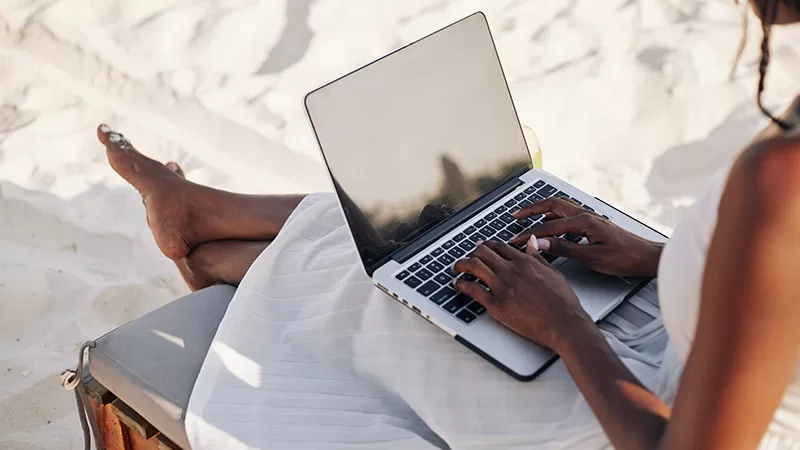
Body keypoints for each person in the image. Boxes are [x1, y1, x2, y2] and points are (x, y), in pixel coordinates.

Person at [96, 1, 800, 448]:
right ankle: (210, 231)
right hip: (699, 354)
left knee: (407, 292)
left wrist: (565, 326)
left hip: (632, 419)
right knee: (444, 248)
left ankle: (213, 245)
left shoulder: (780, 179)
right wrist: (651, 256)